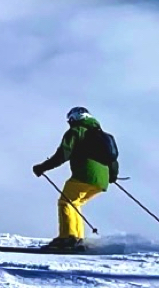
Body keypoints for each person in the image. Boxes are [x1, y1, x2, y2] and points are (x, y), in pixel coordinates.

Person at [32, 106, 118, 252]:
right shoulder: (102, 135)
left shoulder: (76, 131)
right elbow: (113, 160)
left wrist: (42, 167)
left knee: (65, 202)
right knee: (74, 203)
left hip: (85, 175)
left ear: (74, 118)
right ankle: (77, 238)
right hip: (102, 181)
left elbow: (63, 154)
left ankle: (68, 238)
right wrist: (112, 176)